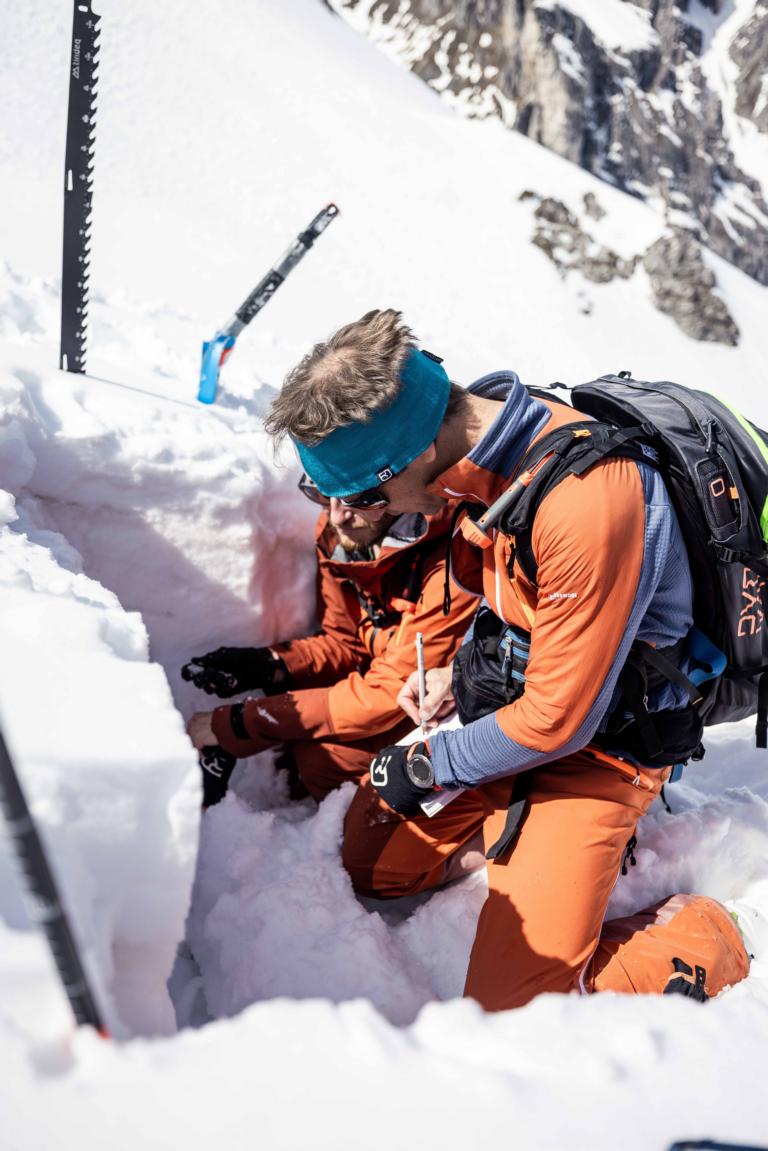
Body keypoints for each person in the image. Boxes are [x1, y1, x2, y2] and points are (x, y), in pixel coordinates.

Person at [262, 306, 750, 1010]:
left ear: (413, 455)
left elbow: (560, 722)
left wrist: (431, 762)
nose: (376, 515)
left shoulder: (586, 498)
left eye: (367, 496)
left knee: (518, 1008)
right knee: (367, 863)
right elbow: (507, 595)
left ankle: (707, 936)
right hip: (513, 713)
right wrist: (449, 675)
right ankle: (526, 850)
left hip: (600, 748)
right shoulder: (479, 465)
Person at [185, 472, 478, 813]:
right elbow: (344, 642)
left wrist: (242, 723)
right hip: (391, 690)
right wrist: (273, 664)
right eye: (325, 495)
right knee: (316, 755)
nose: (337, 514)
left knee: (322, 762)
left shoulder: (451, 561)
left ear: (397, 493)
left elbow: (389, 694)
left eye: (354, 498)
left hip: (442, 710)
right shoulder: (339, 535)